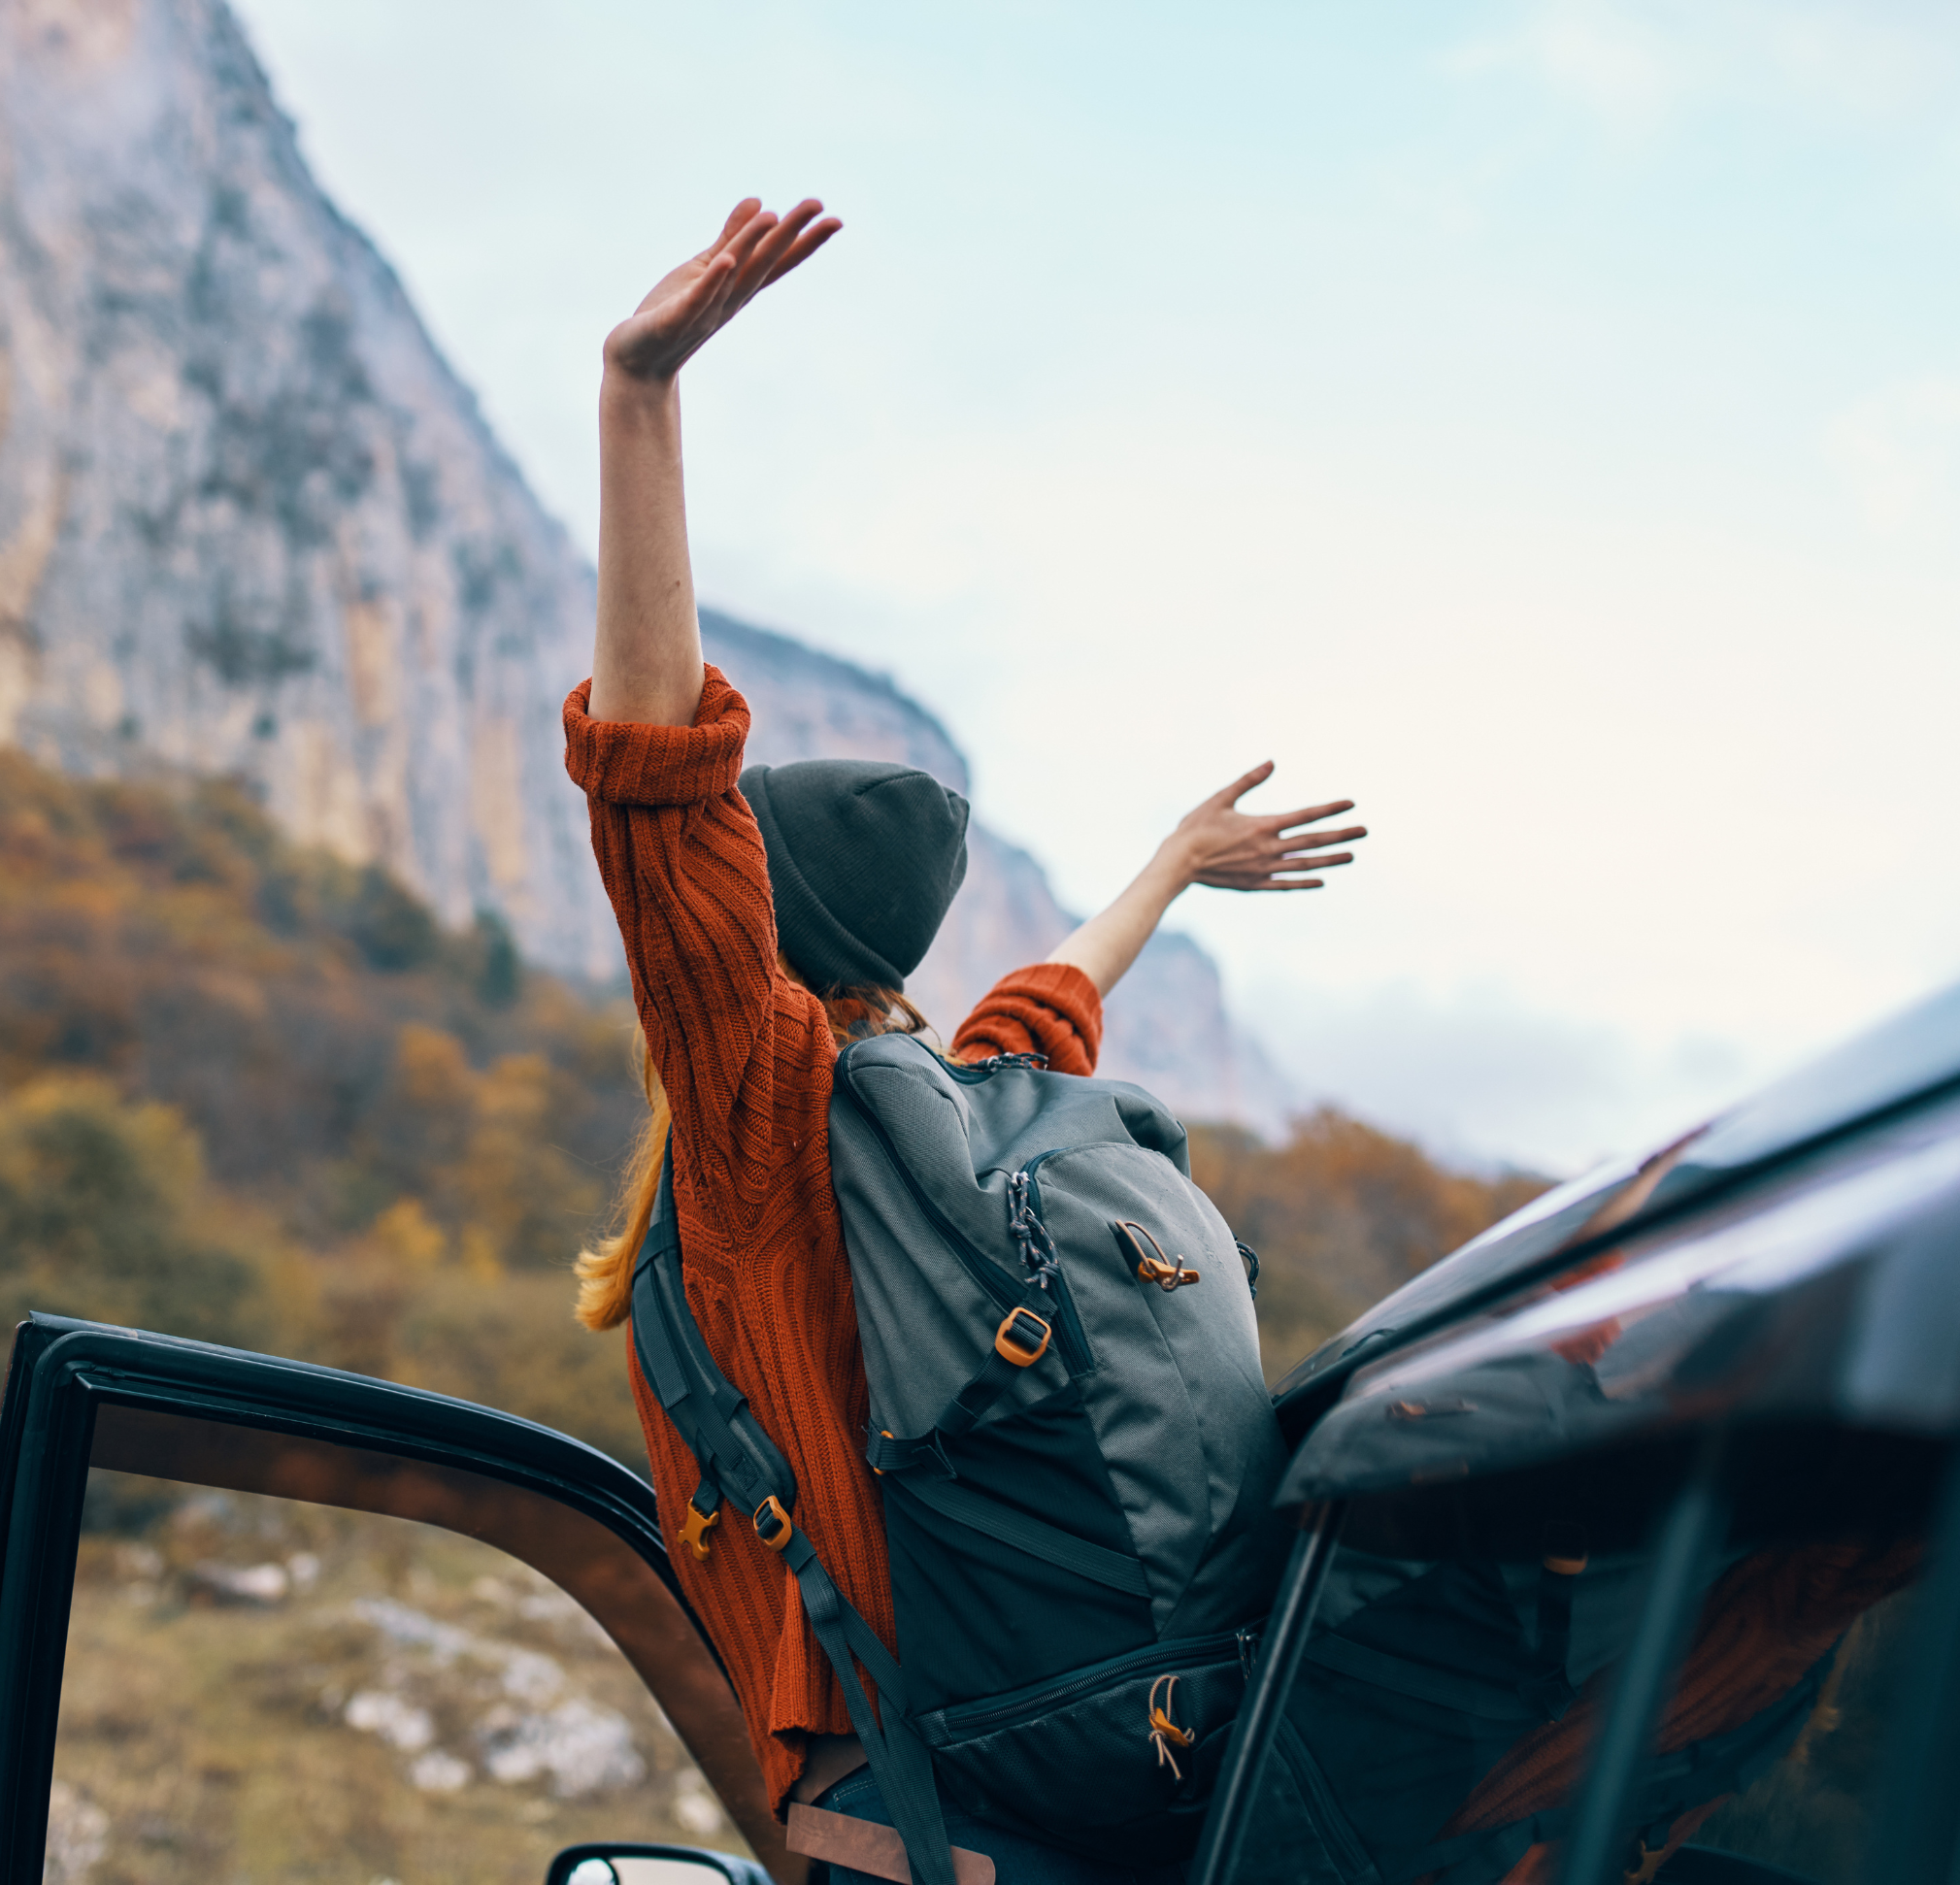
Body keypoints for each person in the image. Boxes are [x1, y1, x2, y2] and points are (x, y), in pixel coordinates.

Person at [564, 197, 1368, 1882]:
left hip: (895, 1819)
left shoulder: (768, 1132)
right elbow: (1047, 1000)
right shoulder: (966, 1118)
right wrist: (1168, 868)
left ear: (756, 939)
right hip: (1076, 1786)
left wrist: (639, 400)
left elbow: (658, 803)